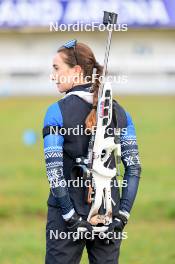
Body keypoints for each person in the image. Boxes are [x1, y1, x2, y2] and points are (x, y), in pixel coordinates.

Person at [43, 39, 141, 264]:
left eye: (57, 68)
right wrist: (122, 215)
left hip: (65, 219)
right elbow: (134, 168)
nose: (53, 75)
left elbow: (55, 173)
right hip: (109, 216)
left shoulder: (56, 112)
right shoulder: (121, 112)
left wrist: (70, 217)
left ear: (76, 71)